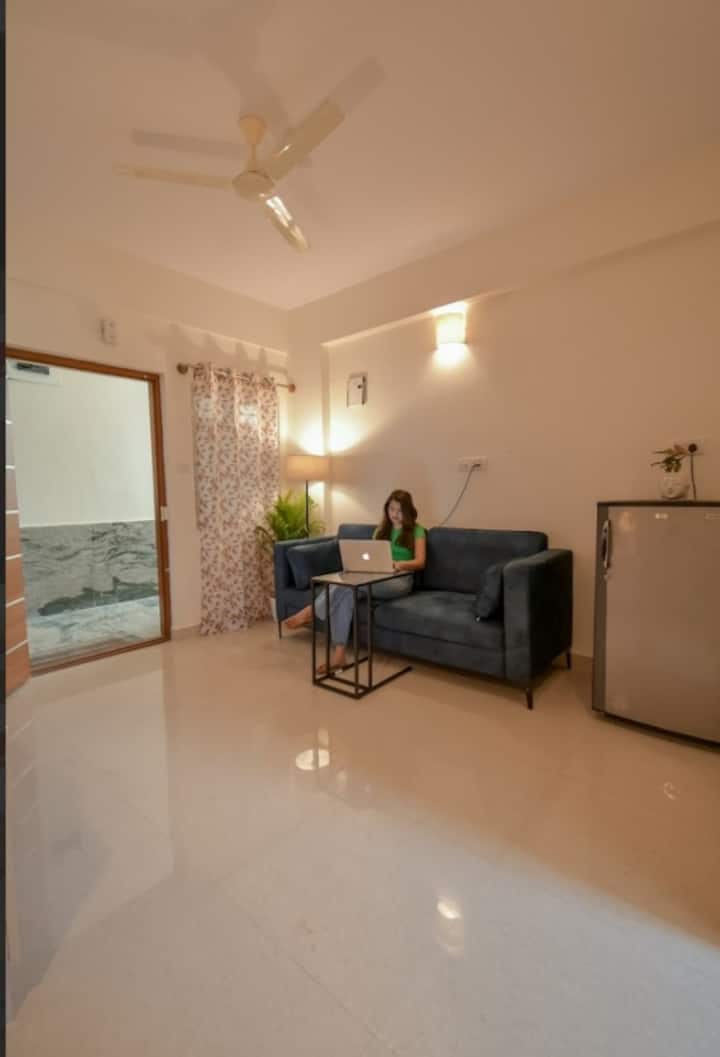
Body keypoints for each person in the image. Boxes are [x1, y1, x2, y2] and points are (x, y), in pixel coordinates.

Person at [285, 489, 427, 673]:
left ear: (408, 511)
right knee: (346, 592)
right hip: (376, 575)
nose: (395, 514)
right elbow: (372, 557)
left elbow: (420, 562)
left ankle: (310, 612)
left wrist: (398, 564)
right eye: (392, 509)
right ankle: (339, 656)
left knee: (347, 587)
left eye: (399, 511)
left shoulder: (417, 531)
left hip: (400, 580)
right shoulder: (381, 531)